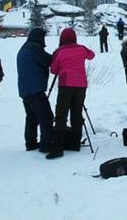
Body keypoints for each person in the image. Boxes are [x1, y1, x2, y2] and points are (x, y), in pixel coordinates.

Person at [47, 28, 95, 159]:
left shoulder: (59, 51)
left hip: (66, 84)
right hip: (81, 85)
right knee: (76, 113)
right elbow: (91, 55)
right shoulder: (81, 48)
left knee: (61, 115)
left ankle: (58, 147)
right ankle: (75, 143)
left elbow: (53, 70)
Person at [17, 27, 54, 153]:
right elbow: (48, 60)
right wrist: (59, 53)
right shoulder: (34, 48)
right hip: (35, 89)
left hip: (25, 90)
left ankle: (31, 143)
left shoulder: (24, 48)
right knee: (46, 117)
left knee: (32, 117)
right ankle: (46, 146)